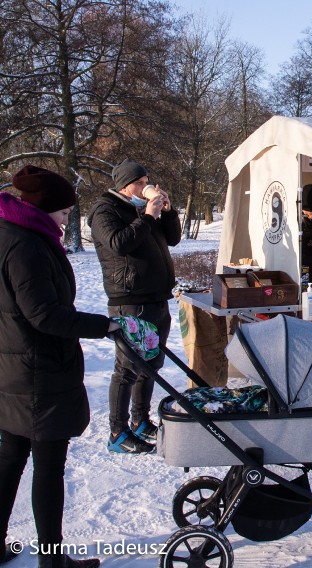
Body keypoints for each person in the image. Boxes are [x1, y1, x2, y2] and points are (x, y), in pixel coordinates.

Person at [0, 165, 119, 568]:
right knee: (48, 467)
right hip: (38, 371)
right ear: (42, 208)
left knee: (11, 457)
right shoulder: (27, 246)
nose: (68, 221)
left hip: (13, 367)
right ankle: (52, 560)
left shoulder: (10, 233)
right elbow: (44, 314)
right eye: (65, 213)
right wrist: (104, 325)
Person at [88, 160, 181, 454]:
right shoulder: (105, 210)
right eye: (140, 183)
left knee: (150, 365)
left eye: (147, 182)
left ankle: (141, 421)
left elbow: (174, 239)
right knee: (128, 367)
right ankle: (118, 431)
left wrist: (166, 212)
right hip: (129, 301)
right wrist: (148, 217)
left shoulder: (139, 211)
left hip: (155, 297)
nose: (145, 188)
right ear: (124, 185)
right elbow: (118, 244)